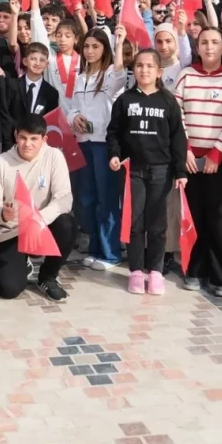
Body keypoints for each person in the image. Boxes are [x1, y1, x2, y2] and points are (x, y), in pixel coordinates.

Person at [107, 49, 189, 296]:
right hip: (133, 171)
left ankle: (155, 271)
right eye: (140, 66)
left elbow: (178, 138)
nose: (144, 70)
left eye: (150, 66)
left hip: (161, 171)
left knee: (157, 224)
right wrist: (114, 155)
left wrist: (181, 171)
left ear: (159, 71)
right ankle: (135, 270)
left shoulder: (168, 101)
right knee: (135, 222)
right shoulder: (125, 101)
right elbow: (114, 133)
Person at [173, 27, 222, 296]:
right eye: (204, 42)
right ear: (197, 47)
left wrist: (217, 154)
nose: (210, 47)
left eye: (215, 42)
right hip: (191, 159)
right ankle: (195, 269)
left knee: (220, 220)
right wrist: (186, 150)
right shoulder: (186, 75)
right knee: (195, 217)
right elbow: (176, 115)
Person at [0, 114, 75, 302]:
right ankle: (14, 260)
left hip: (42, 225)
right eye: (23, 138)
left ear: (44, 139)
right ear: (16, 136)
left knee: (67, 224)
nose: (27, 144)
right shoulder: (0, 162)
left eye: (34, 139)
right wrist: (2, 213)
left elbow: (64, 199)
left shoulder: (54, 156)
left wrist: (39, 219)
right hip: (10, 231)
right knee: (9, 290)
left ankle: (47, 277)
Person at [65, 25, 128, 270]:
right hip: (83, 143)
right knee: (87, 198)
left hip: (105, 144)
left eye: (96, 46)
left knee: (107, 198)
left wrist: (119, 44)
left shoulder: (111, 73)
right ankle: (94, 248)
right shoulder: (80, 77)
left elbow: (120, 76)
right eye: (87, 47)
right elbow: (71, 106)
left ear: (105, 49)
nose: (90, 51)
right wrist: (74, 117)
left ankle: (110, 253)